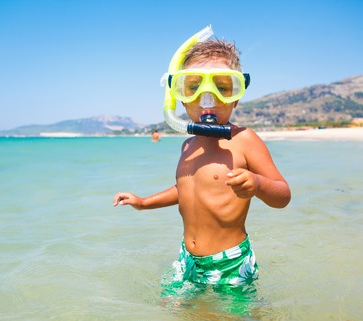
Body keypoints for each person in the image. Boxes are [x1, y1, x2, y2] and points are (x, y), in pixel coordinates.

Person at [113, 37, 291, 289]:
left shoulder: (244, 139)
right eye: (193, 87)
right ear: (181, 98)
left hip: (229, 262)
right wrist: (143, 203)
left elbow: (283, 196)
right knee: (173, 315)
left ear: (236, 97)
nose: (208, 100)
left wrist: (258, 184)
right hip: (188, 259)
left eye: (222, 87)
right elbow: (187, 189)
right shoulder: (188, 145)